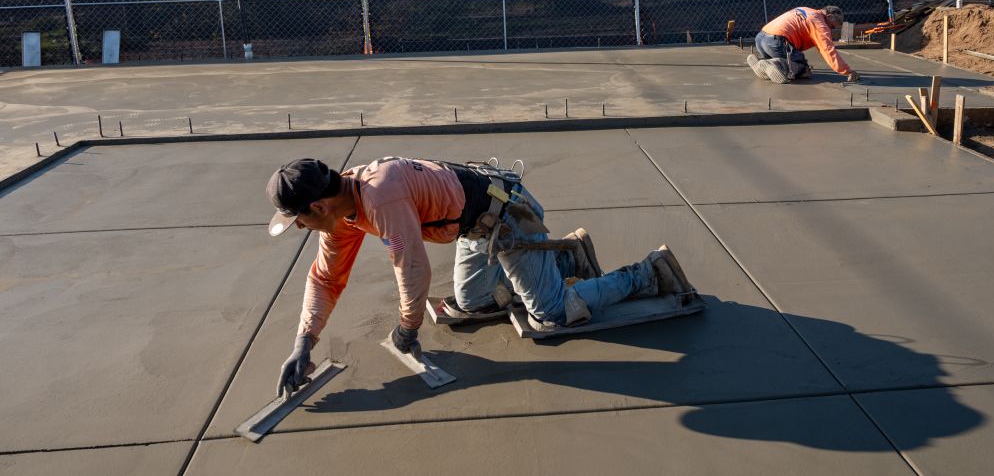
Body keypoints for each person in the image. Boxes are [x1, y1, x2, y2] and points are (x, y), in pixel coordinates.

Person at [266, 157, 694, 396]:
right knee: (474, 305)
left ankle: (648, 273)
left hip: (507, 215)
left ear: (317, 207)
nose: (298, 228)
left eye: (297, 220)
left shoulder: (380, 200)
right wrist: (305, 342)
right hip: (476, 225)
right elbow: (325, 279)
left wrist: (407, 329)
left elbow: (412, 270)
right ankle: (567, 259)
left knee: (551, 316)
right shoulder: (343, 207)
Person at [747, 5, 860, 84]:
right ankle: (777, 64)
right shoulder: (820, 24)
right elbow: (828, 50)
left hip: (761, 38)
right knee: (803, 69)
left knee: (793, 56)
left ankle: (762, 62)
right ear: (830, 17)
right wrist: (847, 71)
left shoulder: (805, 9)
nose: (831, 30)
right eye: (833, 26)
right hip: (777, 42)